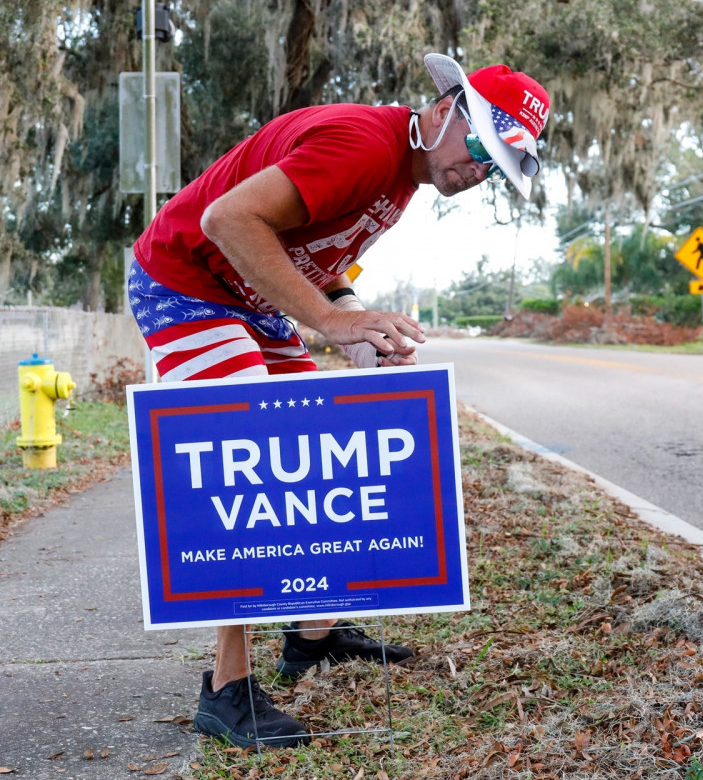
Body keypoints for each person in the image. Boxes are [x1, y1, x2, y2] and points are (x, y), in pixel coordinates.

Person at [129, 53, 549, 748]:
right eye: (481, 149)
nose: (478, 173)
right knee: (252, 457)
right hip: (185, 283)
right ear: (447, 110)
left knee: (318, 447)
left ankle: (311, 635)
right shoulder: (363, 145)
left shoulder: (404, 177)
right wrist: (329, 326)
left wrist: (359, 331)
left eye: (494, 168)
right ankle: (226, 689)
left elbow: (321, 265)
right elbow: (229, 222)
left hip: (249, 299)